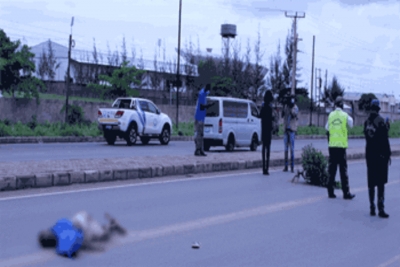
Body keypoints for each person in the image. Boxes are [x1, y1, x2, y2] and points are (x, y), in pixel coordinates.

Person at [38, 211, 126, 258]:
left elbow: (83, 244)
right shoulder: (57, 227)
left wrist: (96, 248)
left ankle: (113, 225)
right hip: (80, 217)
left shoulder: (64, 241)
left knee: (103, 237)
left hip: (84, 225)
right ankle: (107, 225)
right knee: (95, 231)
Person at [363, 99, 391, 218]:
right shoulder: (381, 121)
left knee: (371, 183)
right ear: (378, 109)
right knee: (380, 183)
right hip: (380, 157)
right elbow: (384, 140)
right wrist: (388, 155)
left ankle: (372, 207)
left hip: (370, 156)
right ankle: (381, 208)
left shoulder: (366, 122)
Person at [325, 96, 355, 200]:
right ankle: (346, 193)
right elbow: (351, 124)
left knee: (331, 170)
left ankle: (330, 192)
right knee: (343, 171)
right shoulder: (345, 115)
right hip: (341, 147)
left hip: (332, 146)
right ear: (342, 105)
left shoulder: (331, 115)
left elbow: (327, 128)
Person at [194, 84, 213, 156]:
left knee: (201, 134)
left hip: (202, 117)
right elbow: (202, 106)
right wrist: (209, 105)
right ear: (206, 88)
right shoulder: (201, 94)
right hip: (199, 117)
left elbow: (207, 95)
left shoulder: (204, 93)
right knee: (199, 134)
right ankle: (198, 150)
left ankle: (200, 149)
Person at [281, 96, 299, 173]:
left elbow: (294, 114)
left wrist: (290, 107)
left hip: (292, 130)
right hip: (286, 129)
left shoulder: (295, 107)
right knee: (285, 149)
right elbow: (282, 115)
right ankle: (285, 166)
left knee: (292, 149)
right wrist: (284, 107)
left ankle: (292, 166)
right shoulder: (286, 107)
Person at [260, 90, 274, 175]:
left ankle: (263, 167)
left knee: (263, 149)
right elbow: (272, 119)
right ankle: (267, 168)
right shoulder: (270, 108)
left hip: (263, 130)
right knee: (268, 150)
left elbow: (260, 116)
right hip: (268, 131)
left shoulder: (263, 107)